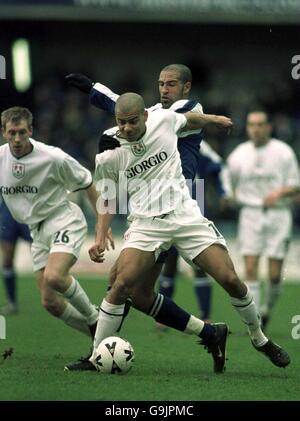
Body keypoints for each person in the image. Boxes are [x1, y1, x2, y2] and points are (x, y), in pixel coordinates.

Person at [65, 93, 290, 373]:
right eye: (120, 123)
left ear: (145, 116)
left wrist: (213, 119)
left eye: (132, 122)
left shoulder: (163, 120)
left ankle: (259, 339)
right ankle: (95, 355)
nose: (126, 128)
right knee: (122, 286)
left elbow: (188, 117)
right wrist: (100, 235)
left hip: (185, 216)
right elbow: (107, 197)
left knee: (230, 278)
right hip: (147, 224)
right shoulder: (109, 152)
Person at [66, 64, 217, 326]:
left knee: (139, 281)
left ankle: (206, 321)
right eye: (160, 84)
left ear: (186, 87)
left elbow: (136, 115)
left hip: (182, 198)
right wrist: (92, 89)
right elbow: (125, 107)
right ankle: (206, 331)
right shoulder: (154, 113)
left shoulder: (190, 108)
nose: (164, 89)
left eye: (170, 84)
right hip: (153, 200)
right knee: (126, 283)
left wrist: (109, 128)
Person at [0, 106, 106, 340]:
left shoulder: (53, 157)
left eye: (21, 132)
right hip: (36, 230)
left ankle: (96, 320)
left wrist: (101, 227)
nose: (17, 139)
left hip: (63, 219)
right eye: (12, 133)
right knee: (50, 303)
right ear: (4, 132)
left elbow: (88, 183)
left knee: (55, 277)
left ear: (30, 130)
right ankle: (102, 337)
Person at [222, 111, 300, 329]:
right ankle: (255, 320)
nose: (256, 128)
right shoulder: (238, 154)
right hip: (250, 214)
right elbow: (227, 181)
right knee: (251, 267)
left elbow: (296, 184)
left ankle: (266, 310)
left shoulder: (283, 152)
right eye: (251, 124)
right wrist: (228, 196)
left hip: (278, 214)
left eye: (260, 124)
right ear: (247, 128)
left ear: (268, 127)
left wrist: (280, 193)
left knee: (275, 275)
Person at [0, 197, 32, 315]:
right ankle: (12, 302)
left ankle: (52, 297)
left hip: (28, 210)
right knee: (7, 259)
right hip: (8, 212)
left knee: (39, 255)